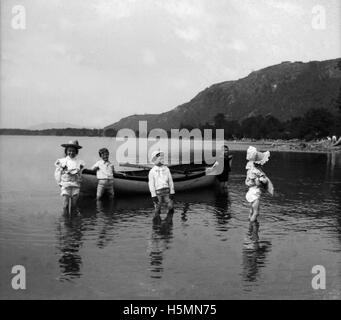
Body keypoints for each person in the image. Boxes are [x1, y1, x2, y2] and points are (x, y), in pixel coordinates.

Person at [55, 140, 85, 213]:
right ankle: (65, 221)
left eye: (73, 151)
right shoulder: (61, 161)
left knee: (74, 205)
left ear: (76, 152)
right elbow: (57, 172)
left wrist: (80, 180)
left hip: (75, 185)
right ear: (66, 151)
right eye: (69, 151)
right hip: (66, 185)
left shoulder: (80, 162)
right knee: (66, 204)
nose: (71, 152)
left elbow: (80, 174)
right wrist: (59, 182)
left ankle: (73, 221)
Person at [245, 146, 273, 222]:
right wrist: (264, 181)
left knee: (251, 211)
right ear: (260, 163)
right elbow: (258, 183)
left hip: (250, 192)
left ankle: (249, 229)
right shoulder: (258, 172)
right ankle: (253, 229)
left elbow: (247, 182)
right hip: (255, 194)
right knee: (256, 213)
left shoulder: (250, 169)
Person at [148, 151, 175, 221]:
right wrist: (153, 196)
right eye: (158, 159)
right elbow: (151, 184)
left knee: (170, 206)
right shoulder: (152, 171)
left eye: (161, 158)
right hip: (157, 193)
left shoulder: (166, 169)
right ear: (154, 160)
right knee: (157, 208)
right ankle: (156, 226)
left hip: (167, 191)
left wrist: (172, 192)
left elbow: (170, 181)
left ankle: (169, 222)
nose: (160, 160)